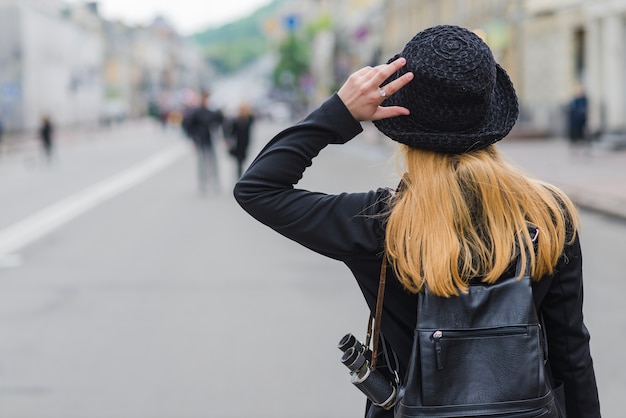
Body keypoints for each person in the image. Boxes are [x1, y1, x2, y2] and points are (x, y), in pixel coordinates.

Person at [234, 25, 600, 417]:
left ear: (403, 119)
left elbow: (258, 188)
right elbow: (571, 356)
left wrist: (339, 111)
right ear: (489, 112)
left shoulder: (381, 224)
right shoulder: (549, 215)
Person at [182, 90, 224, 192]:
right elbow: (188, 125)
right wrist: (193, 138)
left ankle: (215, 181)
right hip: (200, 139)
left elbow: (219, 120)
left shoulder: (210, 112)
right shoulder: (196, 113)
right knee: (201, 162)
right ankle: (203, 183)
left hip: (210, 139)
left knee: (213, 161)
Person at [226, 102, 255, 178]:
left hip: (245, 143)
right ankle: (239, 177)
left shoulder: (248, 120)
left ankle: (241, 176)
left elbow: (253, 116)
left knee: (243, 161)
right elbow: (231, 132)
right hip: (237, 144)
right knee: (239, 163)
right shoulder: (236, 121)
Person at [567, 84, 590, 155]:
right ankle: (575, 149)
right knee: (575, 135)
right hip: (575, 121)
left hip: (582, 120)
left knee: (583, 134)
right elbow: (571, 109)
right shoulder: (574, 100)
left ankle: (584, 148)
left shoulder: (584, 99)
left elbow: (585, 109)